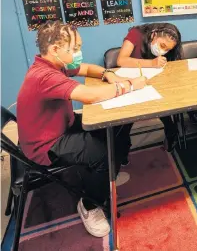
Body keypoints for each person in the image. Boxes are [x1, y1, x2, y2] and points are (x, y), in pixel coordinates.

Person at [17, 21, 146, 237]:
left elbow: (85, 68)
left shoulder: (53, 65)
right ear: (55, 50)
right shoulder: (44, 76)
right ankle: (90, 205)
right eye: (75, 48)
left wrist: (108, 74)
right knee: (103, 155)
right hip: (46, 144)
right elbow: (90, 95)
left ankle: (106, 178)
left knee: (113, 126)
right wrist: (130, 85)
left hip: (60, 127)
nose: (79, 53)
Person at [117, 23, 183, 153]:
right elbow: (121, 60)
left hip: (154, 84)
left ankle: (171, 134)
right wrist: (151, 63)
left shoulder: (168, 50)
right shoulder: (135, 34)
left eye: (167, 49)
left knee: (165, 107)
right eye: (162, 45)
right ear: (153, 34)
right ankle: (122, 149)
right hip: (131, 84)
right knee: (126, 121)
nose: (163, 51)